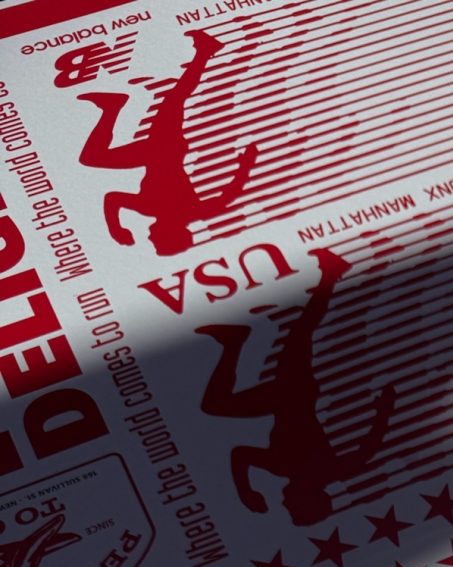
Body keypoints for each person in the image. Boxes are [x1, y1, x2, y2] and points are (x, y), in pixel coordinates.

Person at [196, 247, 396, 526]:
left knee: (299, 335)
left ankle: (234, 341)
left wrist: (246, 491)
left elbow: (240, 454)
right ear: (308, 500)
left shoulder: (285, 468)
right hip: (294, 394)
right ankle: (330, 274)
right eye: (292, 508)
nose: (284, 502)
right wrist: (384, 410)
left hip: (287, 398)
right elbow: (367, 451)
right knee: (301, 333)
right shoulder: (319, 470)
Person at [78, 30, 257, 255]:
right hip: (165, 148)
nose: (150, 237)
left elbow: (112, 198)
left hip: (155, 153)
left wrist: (117, 228)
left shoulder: (159, 209)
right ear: (169, 233)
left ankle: (112, 106)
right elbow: (227, 197)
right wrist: (246, 164)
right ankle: (205, 50)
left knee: (93, 157)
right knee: (175, 99)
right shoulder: (175, 210)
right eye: (156, 241)